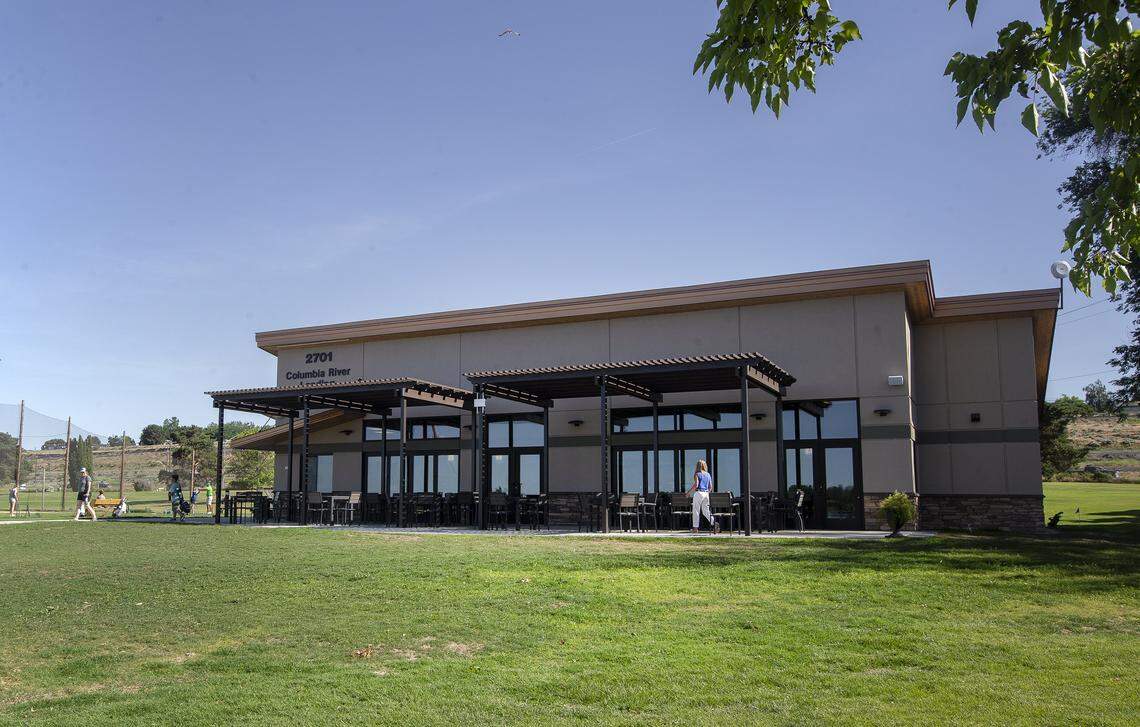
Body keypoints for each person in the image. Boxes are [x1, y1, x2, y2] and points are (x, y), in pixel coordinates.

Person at [687, 459, 719, 534]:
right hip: (706, 494)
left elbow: (696, 485)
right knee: (706, 511)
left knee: (696, 511)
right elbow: (710, 487)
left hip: (699, 493)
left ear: (697, 466)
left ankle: (695, 529)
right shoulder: (708, 474)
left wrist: (688, 492)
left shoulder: (697, 474)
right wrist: (707, 492)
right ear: (705, 466)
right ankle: (714, 523)